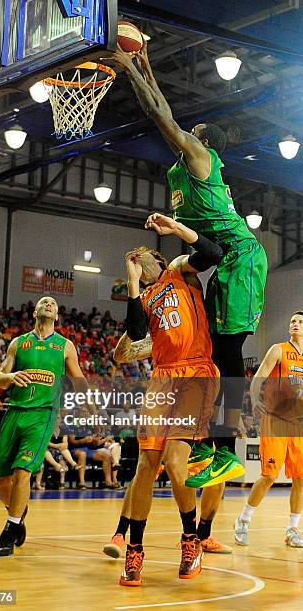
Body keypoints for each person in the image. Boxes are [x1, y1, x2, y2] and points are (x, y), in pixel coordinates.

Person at [107, 42, 268, 449]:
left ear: (203, 142)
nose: (185, 133)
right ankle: (213, 438)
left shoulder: (201, 157)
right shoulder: (186, 165)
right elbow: (164, 111)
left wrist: (129, 67)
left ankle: (227, 444)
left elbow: (160, 115)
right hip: (226, 259)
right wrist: (146, 64)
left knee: (229, 347)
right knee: (215, 347)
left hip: (243, 257)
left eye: (192, 133)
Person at [117, 217, 244, 587]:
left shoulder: (178, 272)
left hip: (196, 372)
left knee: (176, 462)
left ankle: (191, 538)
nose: (137, 261)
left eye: (141, 258)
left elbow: (212, 252)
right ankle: (134, 549)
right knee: (146, 464)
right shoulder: (143, 293)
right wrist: (131, 282)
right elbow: (137, 332)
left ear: (157, 258)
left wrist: (175, 228)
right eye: (133, 261)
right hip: (163, 376)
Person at [103, 330, 232, 562]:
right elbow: (121, 354)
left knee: (218, 474)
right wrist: (136, 323)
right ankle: (120, 534)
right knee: (146, 470)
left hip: (203, 402)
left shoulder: (209, 336)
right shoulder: (166, 336)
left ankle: (203, 535)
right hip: (169, 402)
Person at [0, 295, 95, 557]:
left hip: (43, 415)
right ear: (35, 311)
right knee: (0, 480)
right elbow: (0, 379)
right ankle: (18, 513)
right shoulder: (19, 343)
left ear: (57, 316)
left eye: (53, 304)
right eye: (44, 302)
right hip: (14, 412)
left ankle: (10, 530)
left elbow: (79, 378)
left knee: (23, 470)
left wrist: (92, 407)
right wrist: (11, 376)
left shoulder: (65, 346)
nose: (49, 304)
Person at [234, 311, 303, 548]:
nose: (295, 324)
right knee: (270, 476)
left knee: (301, 479)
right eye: (293, 320)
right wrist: (255, 402)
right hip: (275, 420)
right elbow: (258, 378)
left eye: (301, 322)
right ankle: (243, 520)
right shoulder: (278, 349)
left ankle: (293, 529)